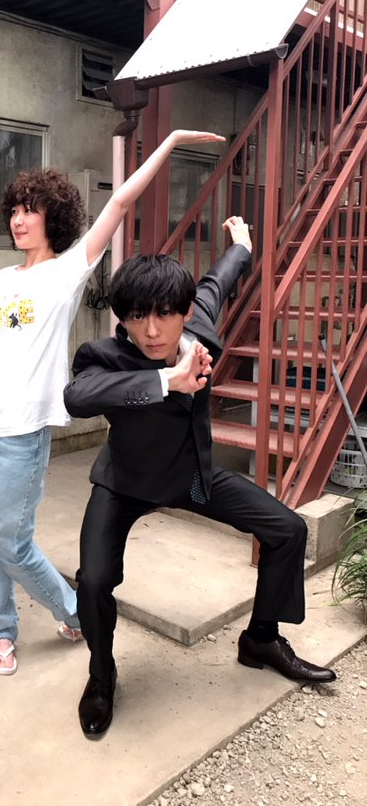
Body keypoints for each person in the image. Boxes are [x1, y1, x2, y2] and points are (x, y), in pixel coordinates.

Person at [0, 130, 224, 675]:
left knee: (10, 540)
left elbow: (121, 202)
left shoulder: (66, 272)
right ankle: (3, 629)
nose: (18, 220)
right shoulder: (3, 277)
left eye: (30, 211)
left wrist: (171, 141)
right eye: (14, 210)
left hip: (21, 429)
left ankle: (75, 610)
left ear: (52, 218)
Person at [63, 216, 337, 738]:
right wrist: (165, 379)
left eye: (165, 314)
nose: (151, 330)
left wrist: (242, 246)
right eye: (137, 316)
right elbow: (77, 397)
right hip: (124, 484)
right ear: (122, 318)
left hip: (193, 477)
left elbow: (216, 283)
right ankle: (101, 674)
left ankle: (260, 638)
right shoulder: (104, 357)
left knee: (287, 530)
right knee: (94, 579)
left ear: (185, 312)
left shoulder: (200, 326)